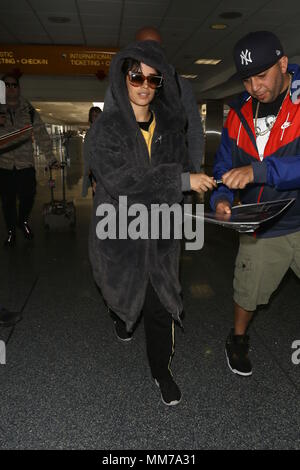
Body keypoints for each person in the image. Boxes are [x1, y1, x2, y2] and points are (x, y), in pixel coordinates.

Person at [89, 40, 215, 405]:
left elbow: (179, 178)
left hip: (160, 230)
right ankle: (122, 315)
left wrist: (192, 193)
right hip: (119, 229)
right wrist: (180, 181)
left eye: (153, 79)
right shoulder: (106, 130)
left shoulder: (170, 127)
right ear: (123, 76)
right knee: (125, 296)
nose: (144, 85)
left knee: (161, 300)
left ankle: (161, 372)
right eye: (136, 76)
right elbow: (122, 182)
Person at [210, 31, 300, 377]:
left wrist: (258, 170)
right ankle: (237, 339)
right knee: (247, 292)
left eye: (261, 75)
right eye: (247, 79)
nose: (254, 86)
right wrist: (220, 198)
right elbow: (222, 168)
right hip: (262, 226)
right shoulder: (237, 114)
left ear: (283, 64)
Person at [105, 26, 204, 173]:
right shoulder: (119, 87)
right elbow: (108, 132)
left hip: (172, 175)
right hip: (131, 175)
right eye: (137, 78)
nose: (145, 86)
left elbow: (194, 130)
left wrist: (191, 173)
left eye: (155, 47)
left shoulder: (180, 86)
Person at [0, 73, 57, 247]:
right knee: (7, 201)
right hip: (4, 165)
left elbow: (41, 134)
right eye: (7, 85)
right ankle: (11, 231)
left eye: (14, 85)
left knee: (28, 196)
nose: (11, 88)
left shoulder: (29, 110)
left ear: (19, 88)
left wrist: (51, 158)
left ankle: (22, 220)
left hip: (26, 163)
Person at [82, 106, 102, 197]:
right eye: (94, 116)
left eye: (98, 115)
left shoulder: (107, 131)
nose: (96, 117)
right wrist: (89, 169)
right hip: (95, 170)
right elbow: (87, 153)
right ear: (91, 118)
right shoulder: (90, 133)